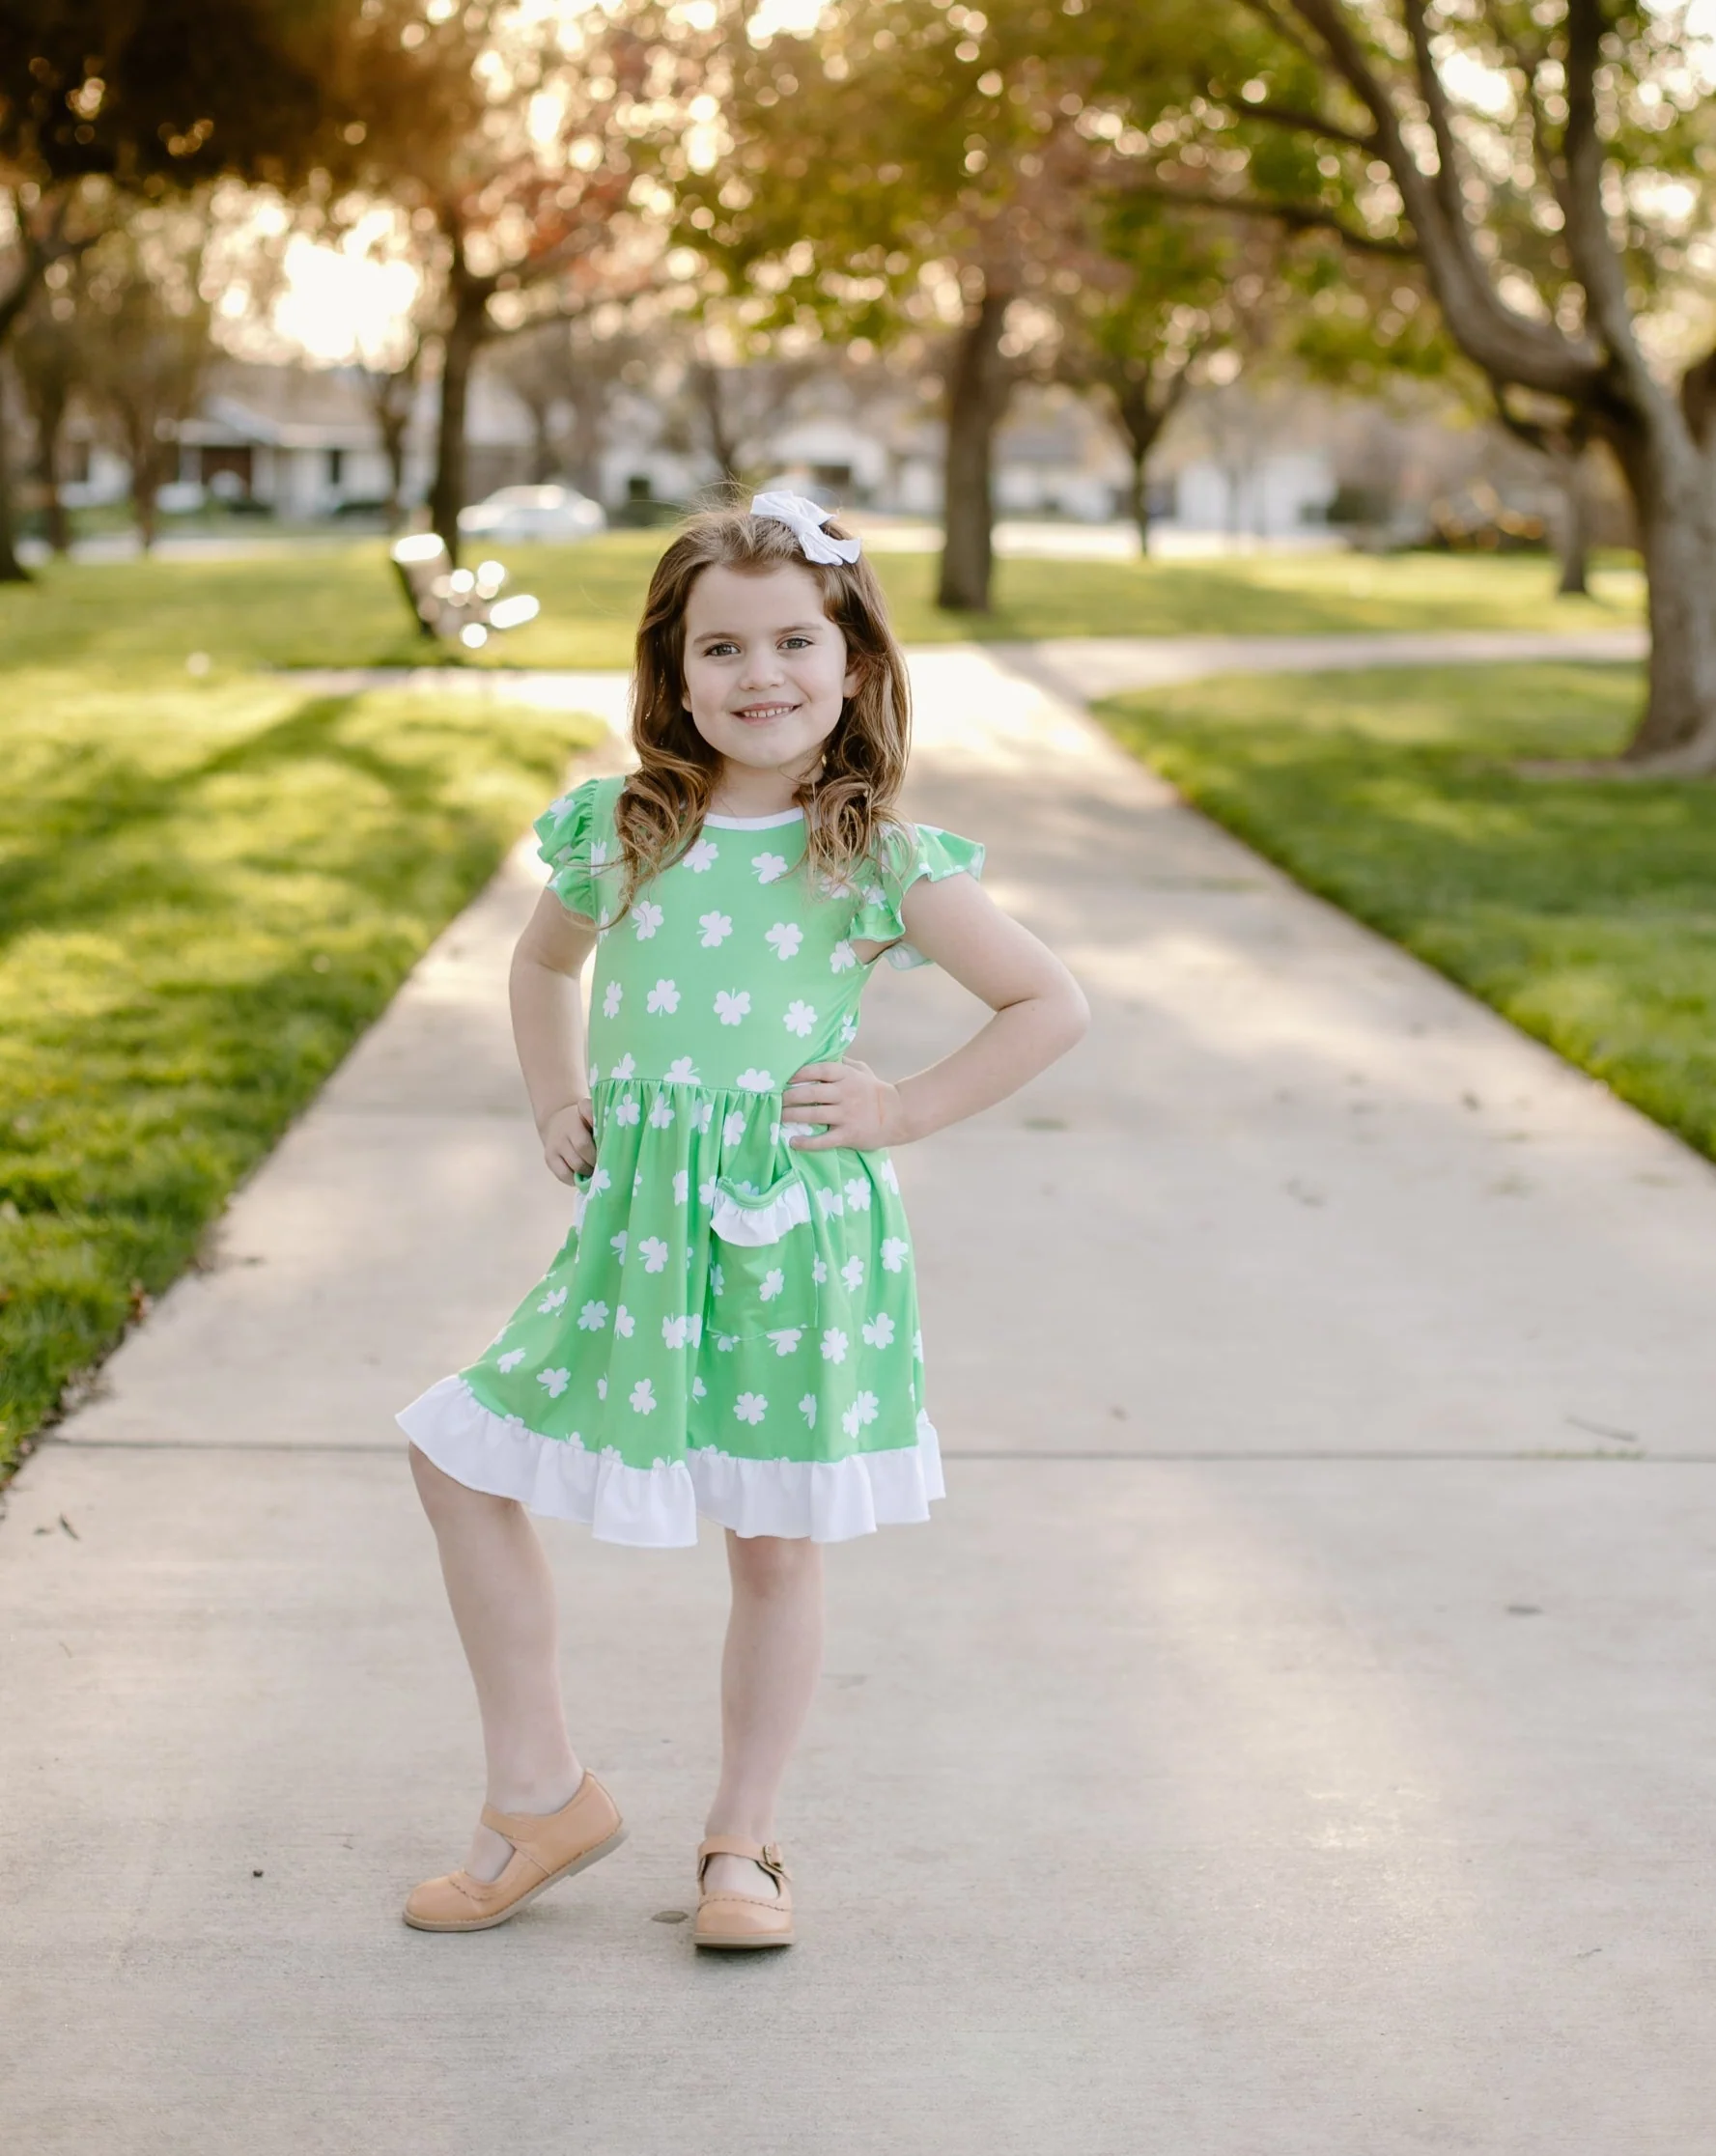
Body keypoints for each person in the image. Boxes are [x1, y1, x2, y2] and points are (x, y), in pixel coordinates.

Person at [398, 490, 1088, 1949]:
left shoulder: (878, 857)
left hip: (790, 1233)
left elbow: (1047, 1003)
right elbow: (541, 968)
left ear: (853, 664)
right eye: (721, 648)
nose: (759, 674)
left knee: (772, 1537)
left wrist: (904, 1109)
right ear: (674, 671)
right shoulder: (625, 830)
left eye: (793, 642)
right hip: (637, 1232)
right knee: (457, 1456)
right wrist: (555, 1095)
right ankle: (538, 1795)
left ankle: (744, 1843)